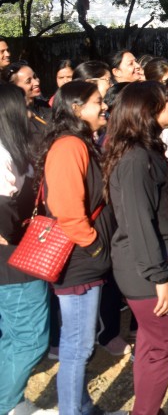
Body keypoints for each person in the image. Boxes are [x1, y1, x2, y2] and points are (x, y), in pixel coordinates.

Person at [105, 82, 168, 415]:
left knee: (152, 346)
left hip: (152, 267)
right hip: (148, 273)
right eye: (166, 101)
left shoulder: (146, 152)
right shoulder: (136, 160)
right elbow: (138, 223)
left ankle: (146, 408)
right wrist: (159, 277)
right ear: (148, 111)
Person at [40, 81, 119, 413]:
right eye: (97, 101)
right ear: (76, 109)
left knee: (79, 343)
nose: (104, 106)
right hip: (79, 260)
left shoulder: (80, 143)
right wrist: (96, 248)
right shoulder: (69, 146)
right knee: (78, 346)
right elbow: (67, 211)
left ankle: (83, 408)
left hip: (84, 258)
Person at [0, 85, 53, 415]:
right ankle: (5, 403)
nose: (29, 112)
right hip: (13, 259)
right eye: (24, 106)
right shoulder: (2, 154)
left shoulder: (12, 147)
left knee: (12, 335)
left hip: (18, 252)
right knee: (30, 338)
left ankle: (10, 397)